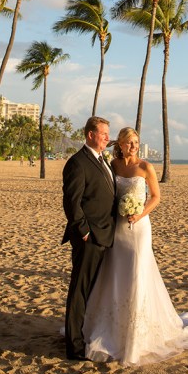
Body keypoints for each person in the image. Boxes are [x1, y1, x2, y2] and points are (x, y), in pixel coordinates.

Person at [83, 126, 188, 365]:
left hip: (139, 228)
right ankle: (110, 324)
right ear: (121, 145)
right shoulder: (113, 165)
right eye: (129, 142)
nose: (134, 146)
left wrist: (139, 214)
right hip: (117, 226)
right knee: (114, 271)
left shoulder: (146, 167)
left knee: (137, 272)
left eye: (136, 142)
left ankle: (138, 332)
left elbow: (156, 197)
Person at [61, 115, 116, 360]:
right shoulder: (77, 163)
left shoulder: (104, 160)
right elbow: (72, 203)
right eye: (104, 134)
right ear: (91, 135)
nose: (107, 138)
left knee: (95, 290)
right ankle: (74, 345)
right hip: (90, 237)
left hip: (108, 234)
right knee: (80, 291)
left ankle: (88, 332)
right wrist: (83, 231)